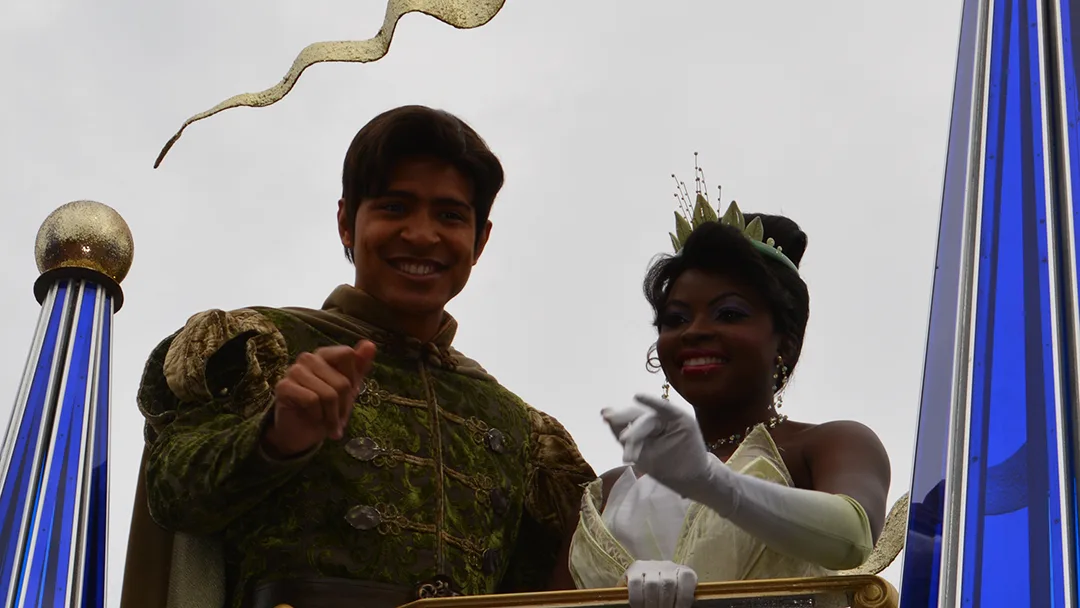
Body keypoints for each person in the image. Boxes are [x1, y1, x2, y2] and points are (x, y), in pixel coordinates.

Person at [119, 105, 595, 608]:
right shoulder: (257, 347)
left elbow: (559, 585)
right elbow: (171, 496)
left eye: (450, 215)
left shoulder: (519, 427)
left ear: (480, 241)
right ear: (347, 222)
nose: (421, 234)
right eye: (394, 207)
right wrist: (276, 439)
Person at [567, 189, 891, 608]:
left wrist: (710, 481)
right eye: (676, 319)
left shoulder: (827, 446)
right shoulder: (612, 490)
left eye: (730, 313)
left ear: (785, 344)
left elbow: (852, 538)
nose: (695, 331)